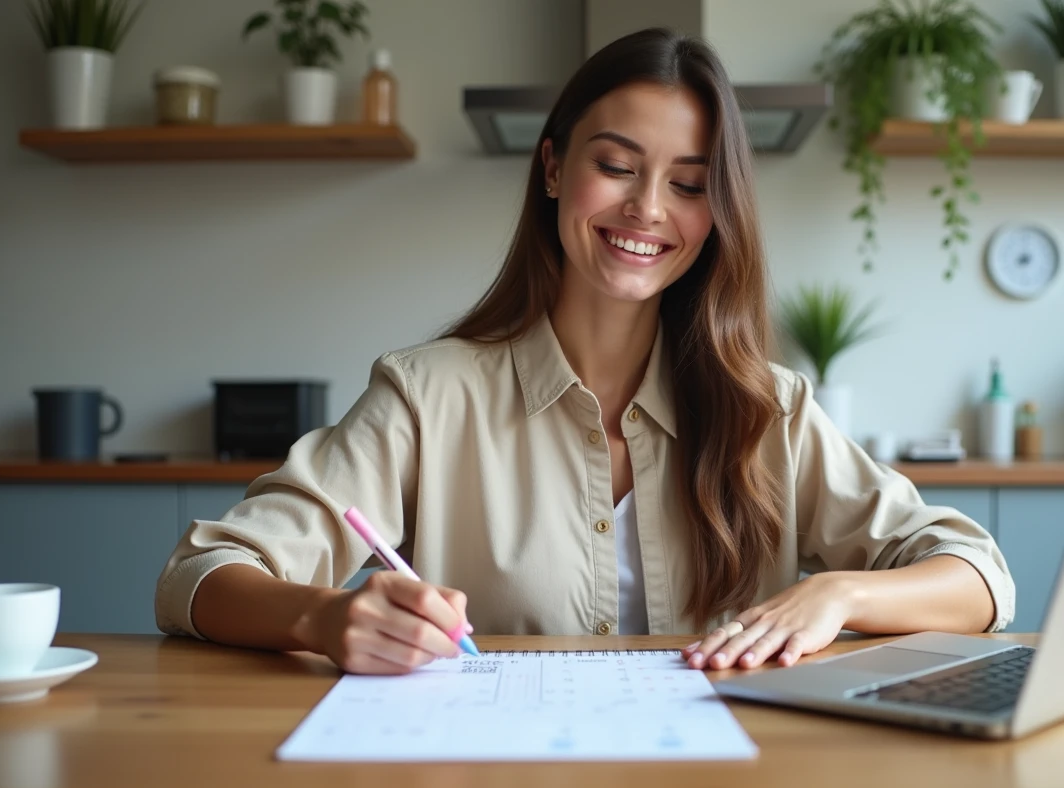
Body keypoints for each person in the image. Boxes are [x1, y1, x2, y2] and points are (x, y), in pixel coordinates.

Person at [155, 27, 1014, 677]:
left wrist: (843, 593)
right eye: (617, 165)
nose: (648, 209)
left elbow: (978, 576)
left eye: (687, 184)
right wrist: (323, 620)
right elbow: (199, 572)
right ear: (554, 168)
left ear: (717, 212)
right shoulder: (426, 396)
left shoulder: (770, 408)